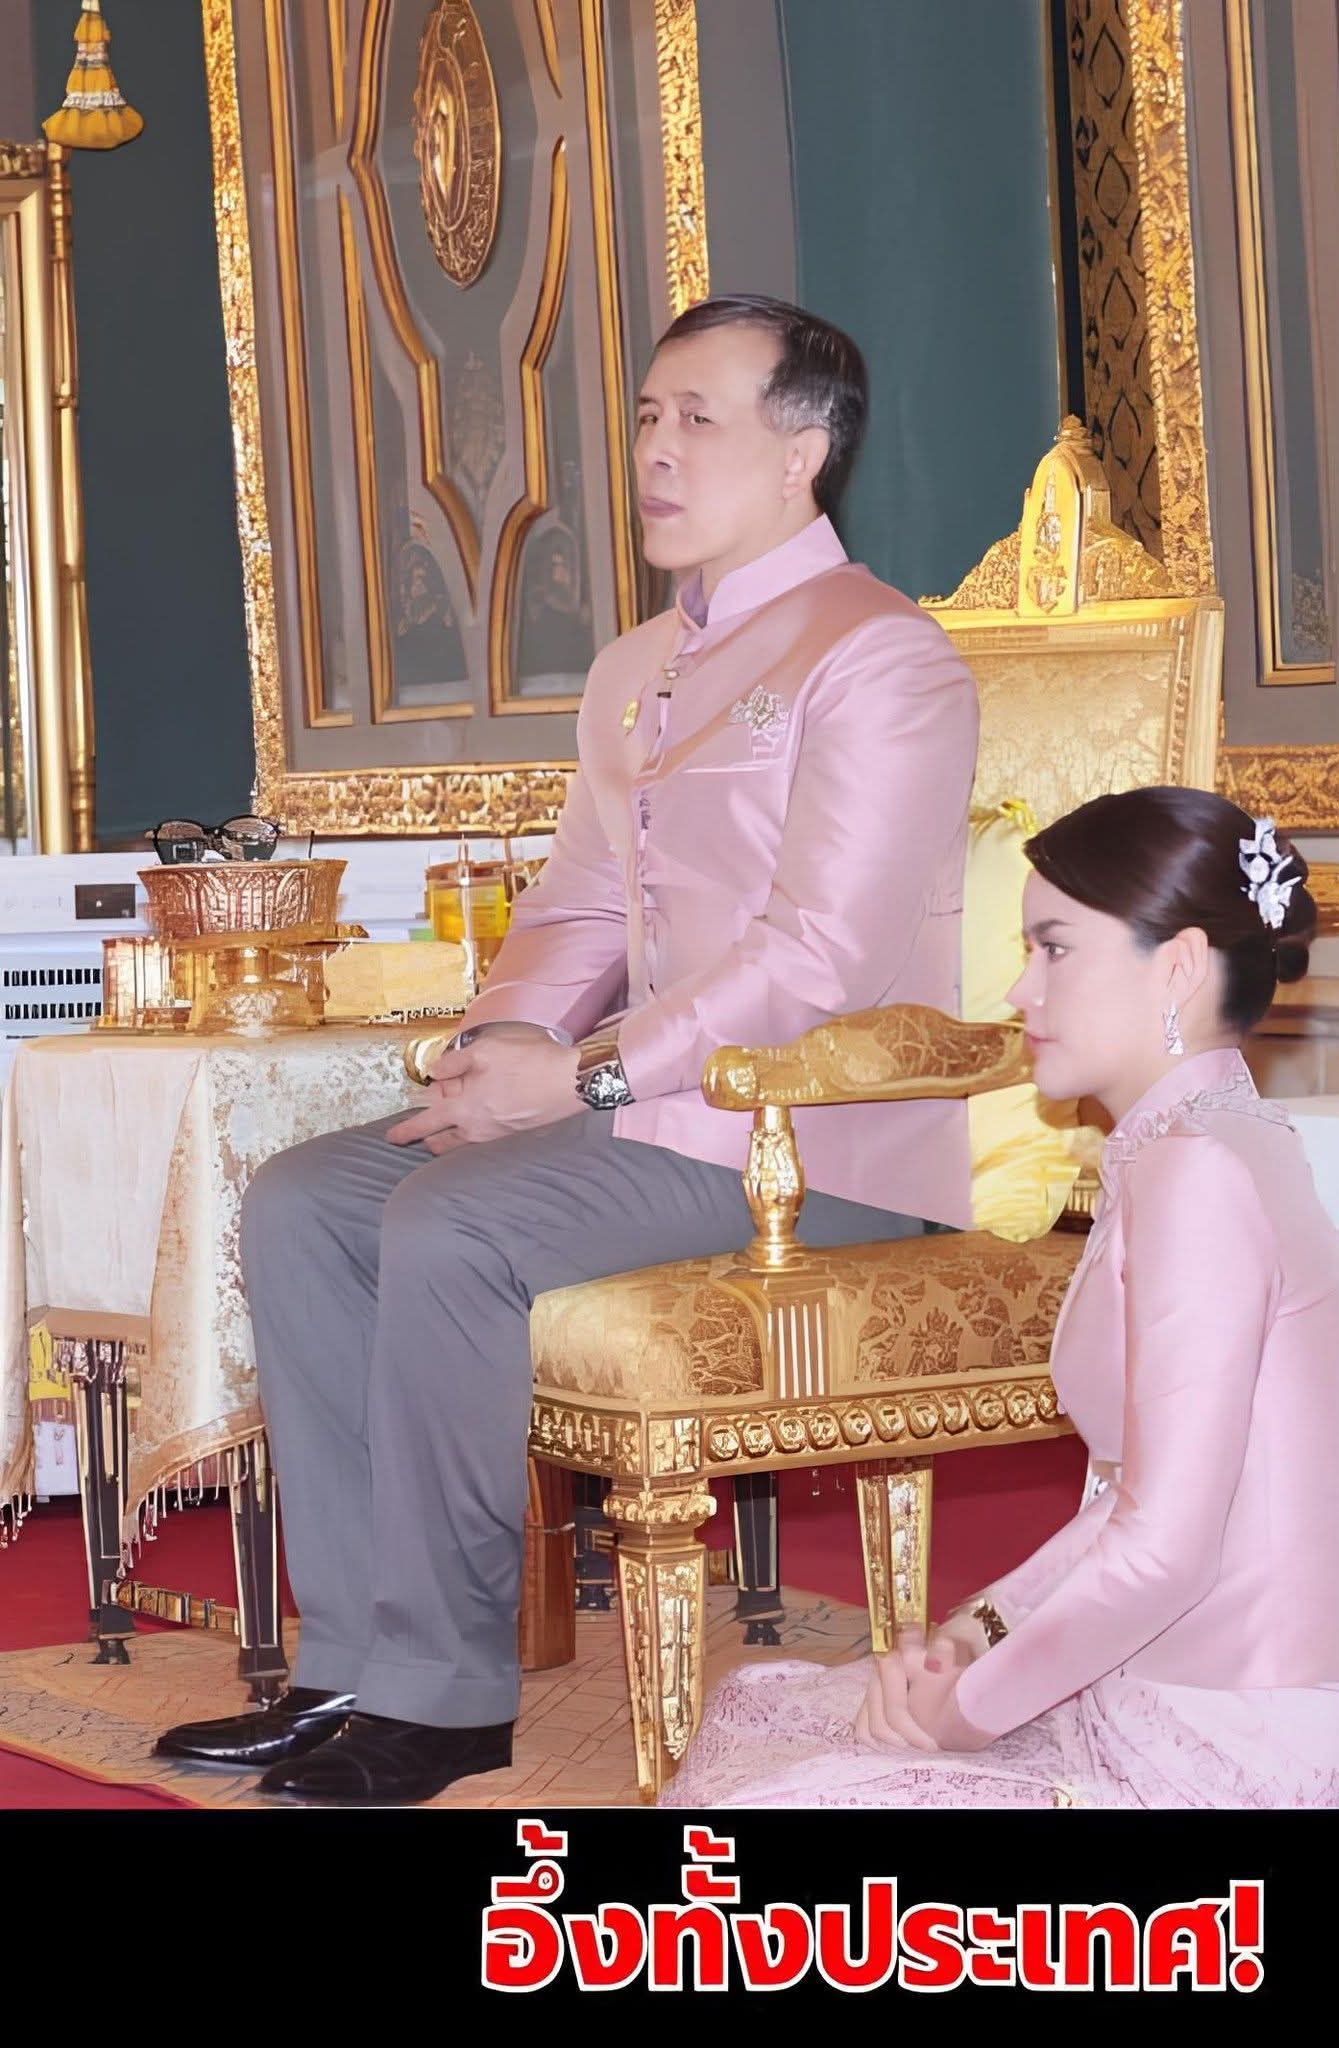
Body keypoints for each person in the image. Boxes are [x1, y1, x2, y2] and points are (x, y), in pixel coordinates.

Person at [154, 296, 980, 1804]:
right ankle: (352, 1664)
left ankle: (446, 1701)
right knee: (304, 1198)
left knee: (450, 1222)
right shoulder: (636, 665)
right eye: (648, 418)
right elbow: (581, 904)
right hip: (651, 1115)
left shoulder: (882, 657)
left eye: (697, 420)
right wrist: (502, 1046)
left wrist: (588, 1076)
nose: (654, 451)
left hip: (813, 1144)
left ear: (802, 451)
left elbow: (822, 955)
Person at [660, 786, 1339, 1809]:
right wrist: (980, 1630)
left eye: (1055, 949)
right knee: (766, 1715)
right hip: (1159, 1680)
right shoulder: (1200, 1140)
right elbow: (1136, 1500)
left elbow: (1166, 1549)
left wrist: (962, 1712)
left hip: (1219, 1737)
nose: (1019, 988)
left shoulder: (1198, 1170)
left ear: (1179, 966)